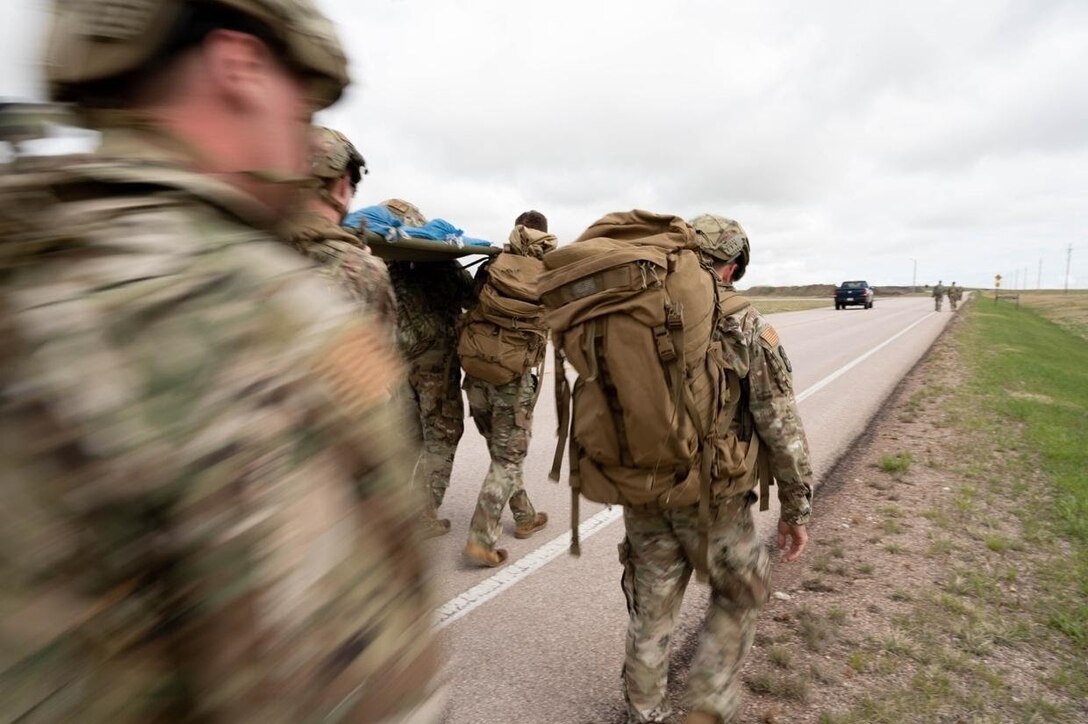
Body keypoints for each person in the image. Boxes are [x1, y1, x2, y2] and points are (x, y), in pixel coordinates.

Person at [0, 2, 443, 721]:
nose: (302, 150)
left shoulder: (28, 260)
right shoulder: (258, 315)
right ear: (239, 66)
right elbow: (346, 679)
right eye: (302, 108)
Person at [618, 214, 813, 724]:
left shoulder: (636, 313)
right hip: (714, 497)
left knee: (652, 605)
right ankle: (706, 702)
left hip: (642, 487)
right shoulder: (746, 322)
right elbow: (780, 423)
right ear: (730, 267)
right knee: (743, 590)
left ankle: (643, 709)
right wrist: (796, 506)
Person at [460, 210, 553, 567]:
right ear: (544, 235)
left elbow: (470, 301)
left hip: (478, 379)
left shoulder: (492, 264)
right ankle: (481, 540)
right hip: (512, 384)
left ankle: (525, 516)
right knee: (508, 459)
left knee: (503, 455)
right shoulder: (549, 271)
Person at [382, 198, 476, 537]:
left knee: (404, 440)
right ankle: (421, 514)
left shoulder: (382, 267)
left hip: (396, 366)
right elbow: (470, 298)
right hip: (435, 368)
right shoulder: (441, 266)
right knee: (442, 436)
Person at [282, 126, 396, 332]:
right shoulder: (362, 271)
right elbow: (378, 359)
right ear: (344, 184)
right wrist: (361, 263)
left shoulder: (234, 246)